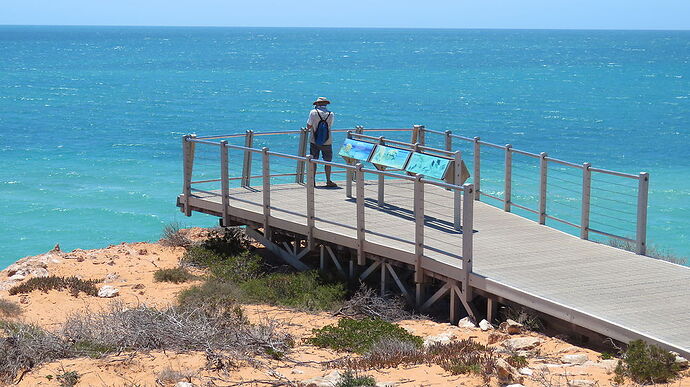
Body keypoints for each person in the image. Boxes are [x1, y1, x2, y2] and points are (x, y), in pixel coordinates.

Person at [306, 97, 337, 187]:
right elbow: (330, 126)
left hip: (314, 140)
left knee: (313, 161)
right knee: (328, 162)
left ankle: (312, 181)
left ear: (317, 104)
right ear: (326, 104)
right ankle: (328, 180)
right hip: (327, 141)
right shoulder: (331, 114)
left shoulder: (313, 112)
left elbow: (308, 126)